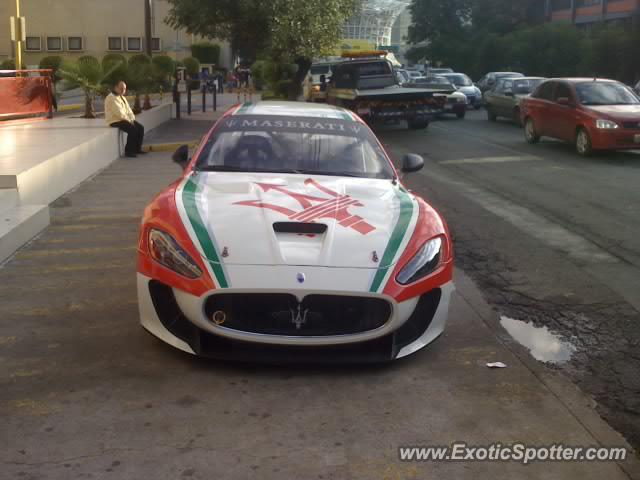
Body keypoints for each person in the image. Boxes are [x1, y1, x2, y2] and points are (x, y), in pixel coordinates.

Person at [105, 81, 146, 158]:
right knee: (133, 129)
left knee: (140, 128)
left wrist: (132, 119)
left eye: (124, 89)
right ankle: (129, 151)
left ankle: (137, 149)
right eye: (121, 88)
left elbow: (128, 110)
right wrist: (129, 120)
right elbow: (119, 113)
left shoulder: (121, 97)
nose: (123, 90)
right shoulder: (111, 98)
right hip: (115, 121)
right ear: (116, 87)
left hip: (125, 119)